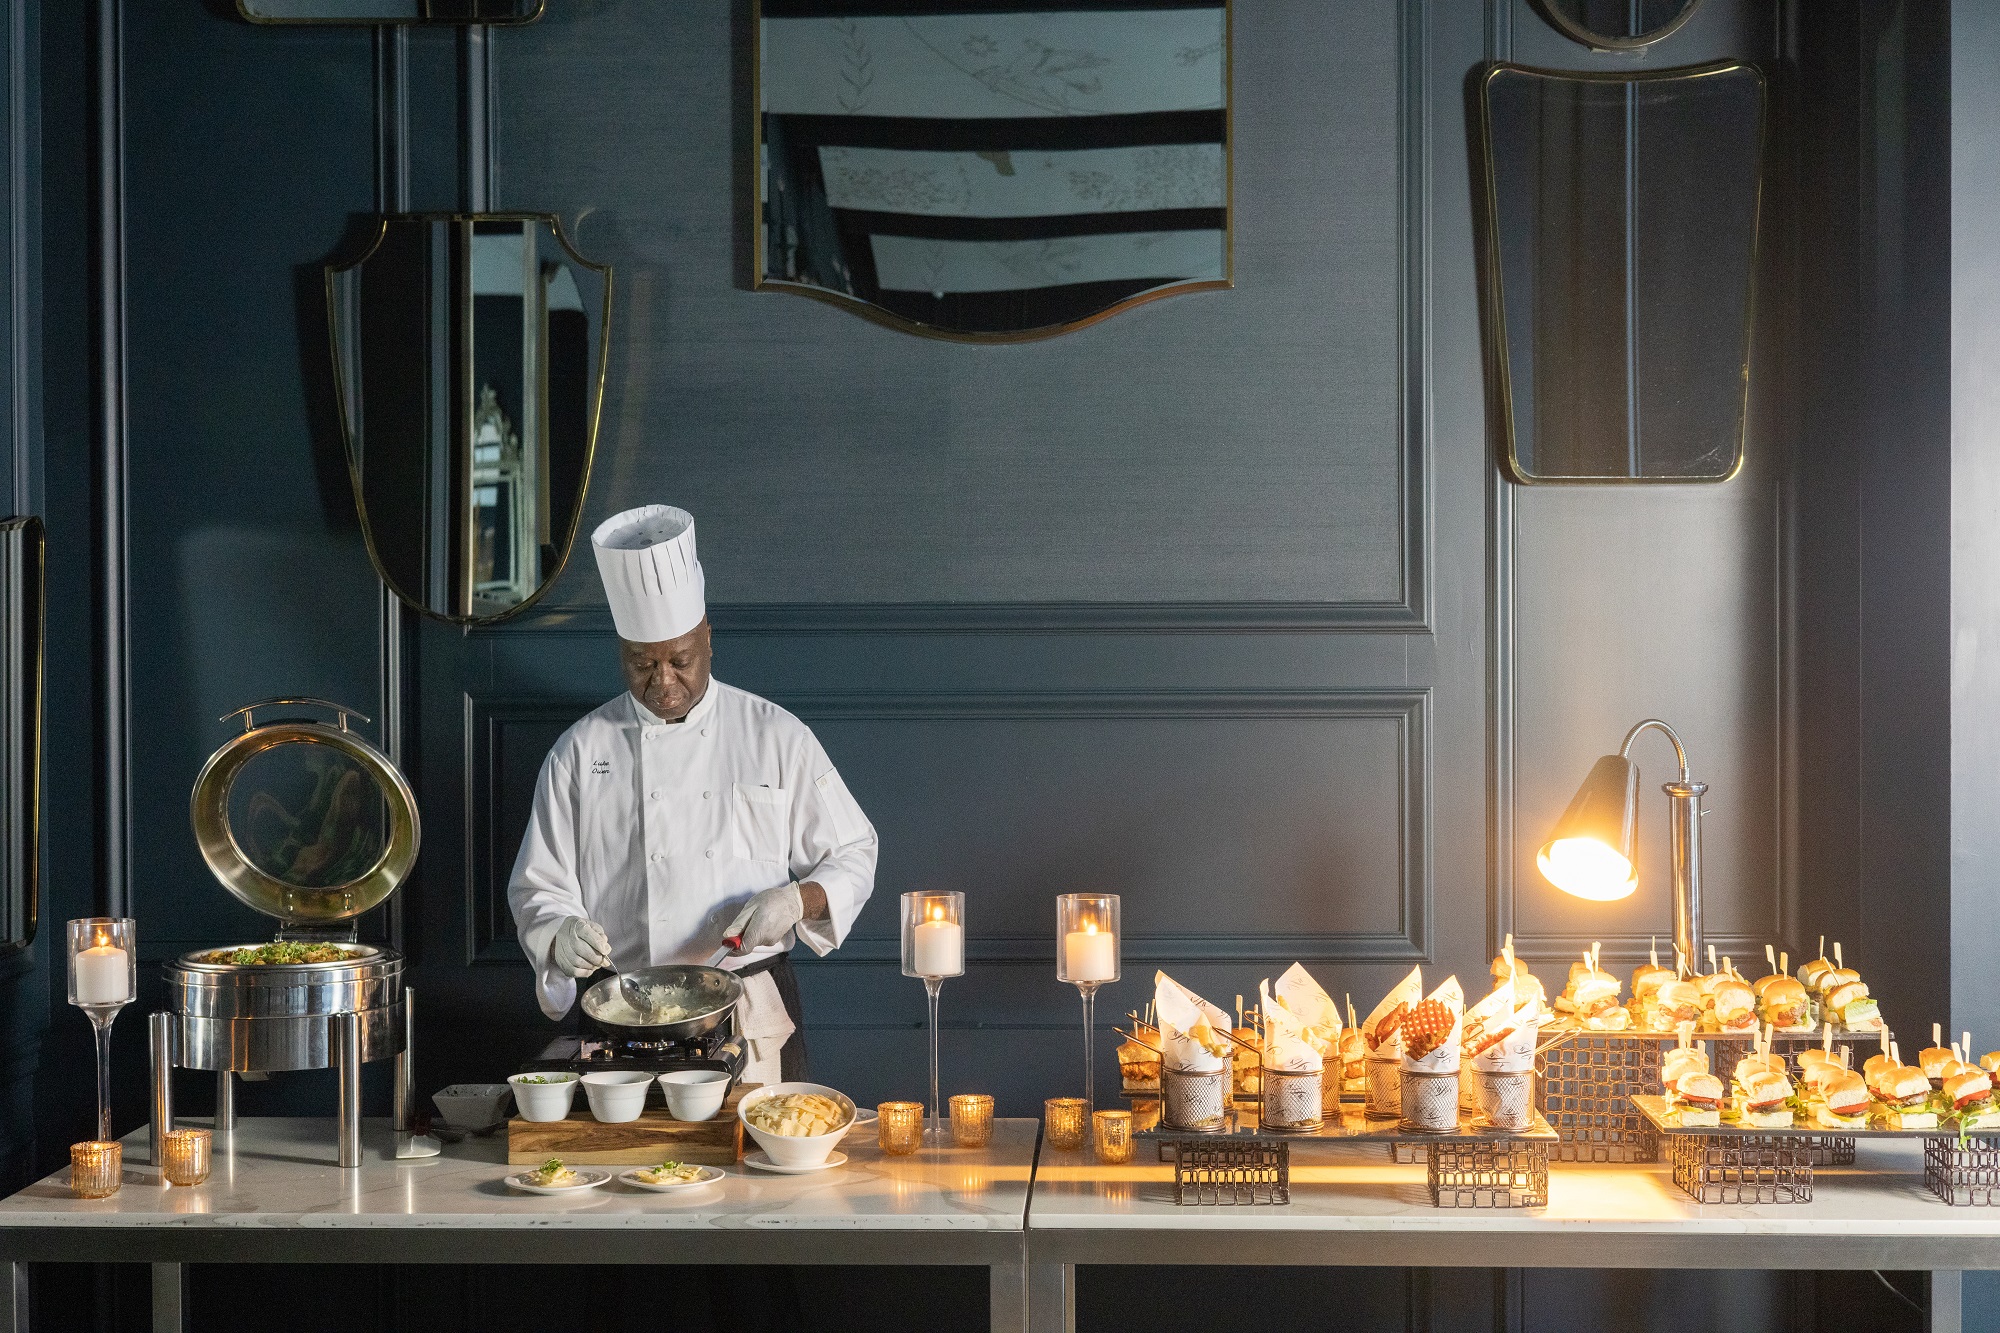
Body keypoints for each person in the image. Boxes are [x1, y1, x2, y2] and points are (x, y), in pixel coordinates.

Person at [508, 504, 878, 1083]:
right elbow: (538, 886)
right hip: (623, 1012)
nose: (662, 682)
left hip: (750, 1009)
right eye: (641, 663)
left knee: (758, 1166)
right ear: (620, 652)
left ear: (708, 638)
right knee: (635, 1168)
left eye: (679, 661)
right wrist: (559, 935)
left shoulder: (776, 735)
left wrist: (798, 899)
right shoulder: (578, 751)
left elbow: (855, 850)